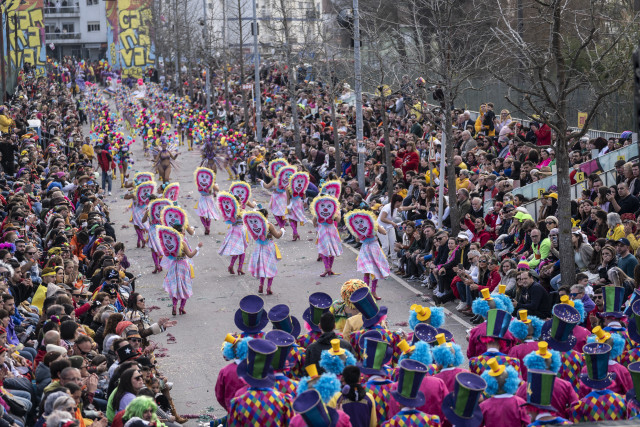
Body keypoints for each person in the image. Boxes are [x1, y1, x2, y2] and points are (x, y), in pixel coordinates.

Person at [244, 209, 284, 295]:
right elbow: (277, 236)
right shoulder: (269, 225)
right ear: (266, 215)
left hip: (259, 248)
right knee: (270, 267)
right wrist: (282, 231)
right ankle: (268, 287)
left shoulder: (254, 225)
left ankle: (261, 285)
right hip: (269, 248)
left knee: (262, 267)